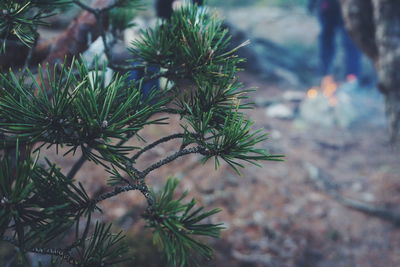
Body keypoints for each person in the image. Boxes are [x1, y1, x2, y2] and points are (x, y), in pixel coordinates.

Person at [308, 0, 361, 82]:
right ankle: (324, 74)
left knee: (350, 41)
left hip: (347, 7)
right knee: (327, 39)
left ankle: (352, 76)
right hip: (327, 7)